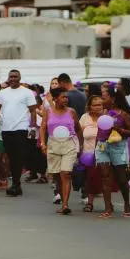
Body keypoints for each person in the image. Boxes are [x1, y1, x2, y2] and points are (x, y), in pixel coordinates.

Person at [0, 69, 37, 197]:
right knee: (9, 156)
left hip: (21, 128)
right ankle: (15, 183)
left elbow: (32, 111)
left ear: (19, 78)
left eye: (16, 76)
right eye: (11, 76)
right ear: (8, 78)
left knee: (18, 157)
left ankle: (15, 183)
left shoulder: (27, 93)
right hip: (6, 129)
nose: (13, 78)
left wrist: (32, 127)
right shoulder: (1, 93)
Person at [38, 87, 82, 215]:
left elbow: (78, 129)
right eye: (63, 97)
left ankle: (65, 205)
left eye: (66, 97)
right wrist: (42, 144)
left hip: (69, 143)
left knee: (66, 173)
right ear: (55, 98)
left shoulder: (71, 112)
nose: (66, 99)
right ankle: (63, 200)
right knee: (57, 176)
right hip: (53, 144)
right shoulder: (48, 111)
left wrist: (80, 145)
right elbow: (43, 128)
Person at [96, 88, 130, 218]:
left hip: (117, 147)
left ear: (112, 99)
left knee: (121, 179)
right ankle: (108, 208)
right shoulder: (103, 114)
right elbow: (99, 131)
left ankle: (127, 204)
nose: (102, 100)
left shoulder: (123, 114)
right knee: (105, 177)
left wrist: (120, 129)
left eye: (104, 97)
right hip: (102, 147)